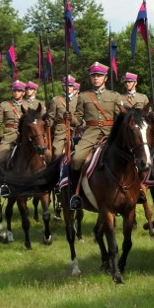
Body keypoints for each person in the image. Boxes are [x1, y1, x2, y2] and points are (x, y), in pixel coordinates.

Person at [67, 63, 123, 203]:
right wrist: (70, 118)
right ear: (91, 78)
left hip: (111, 133)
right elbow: (78, 120)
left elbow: (121, 117)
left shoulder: (115, 96)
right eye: (94, 76)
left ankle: (138, 190)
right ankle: (75, 194)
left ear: (105, 78)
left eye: (99, 76)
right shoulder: (84, 96)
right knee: (76, 159)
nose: (96, 78)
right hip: (90, 134)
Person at [0, 80, 26, 168]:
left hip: (24, 135)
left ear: (23, 93)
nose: (16, 93)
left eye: (19, 91)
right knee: (1, 157)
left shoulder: (28, 105)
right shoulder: (4, 105)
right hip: (9, 135)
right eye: (14, 91)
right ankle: (2, 178)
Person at [46, 76, 78, 159]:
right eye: (66, 85)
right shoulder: (56, 100)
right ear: (63, 86)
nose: (68, 88)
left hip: (76, 130)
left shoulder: (79, 100)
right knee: (57, 154)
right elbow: (51, 117)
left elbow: (83, 119)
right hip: (61, 131)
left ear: (73, 87)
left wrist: (73, 120)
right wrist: (49, 123)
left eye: (70, 86)